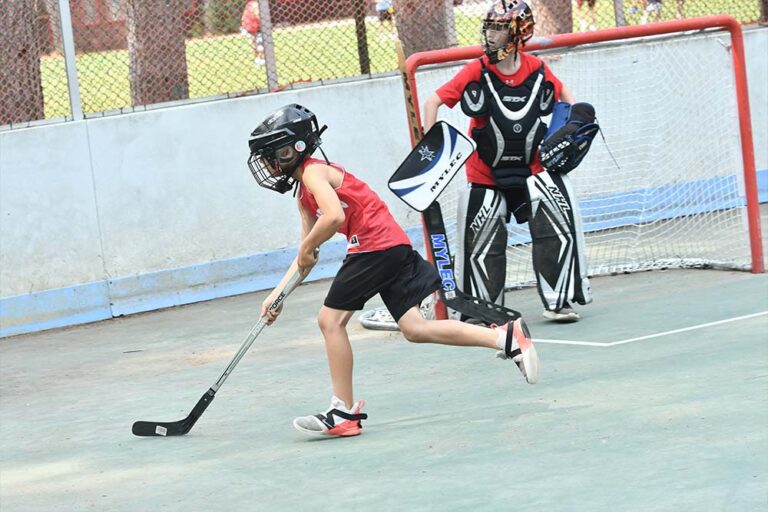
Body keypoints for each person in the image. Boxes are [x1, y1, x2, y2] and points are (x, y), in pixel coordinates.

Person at [247, 104, 539, 438]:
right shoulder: (304, 196)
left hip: (374, 246)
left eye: (273, 156)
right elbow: (307, 258)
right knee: (415, 329)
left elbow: (334, 218)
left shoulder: (314, 172)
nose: (270, 165)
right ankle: (505, 338)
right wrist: (277, 295)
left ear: (294, 149)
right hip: (392, 247)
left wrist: (306, 246)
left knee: (329, 321)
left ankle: (343, 412)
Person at [423, 0, 590, 323]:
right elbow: (433, 102)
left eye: (499, 28)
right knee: (482, 238)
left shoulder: (537, 70)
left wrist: (573, 125)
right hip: (485, 173)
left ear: (518, 33)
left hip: (532, 170)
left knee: (555, 219)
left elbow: (567, 98)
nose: (491, 35)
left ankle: (559, 300)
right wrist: (430, 149)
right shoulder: (477, 69)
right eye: (489, 27)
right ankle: (482, 308)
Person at [241, 0, 265, 66]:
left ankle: (258, 58)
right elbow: (256, 14)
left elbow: (244, 16)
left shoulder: (249, 4)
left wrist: (243, 24)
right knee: (260, 43)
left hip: (249, 26)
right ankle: (259, 59)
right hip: (256, 26)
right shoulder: (255, 3)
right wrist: (263, 21)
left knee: (255, 43)